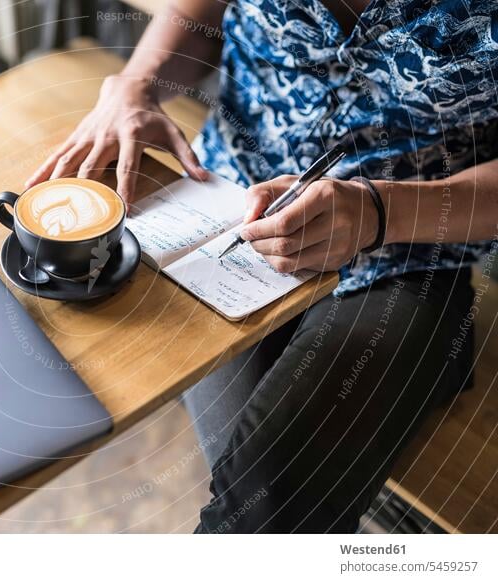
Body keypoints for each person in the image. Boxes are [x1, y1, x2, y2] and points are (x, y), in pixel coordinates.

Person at [27, 0, 498, 532]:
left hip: (410, 249)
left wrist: (377, 212)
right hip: (222, 208)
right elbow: (199, 17)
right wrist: (138, 82)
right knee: (254, 490)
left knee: (266, 491)